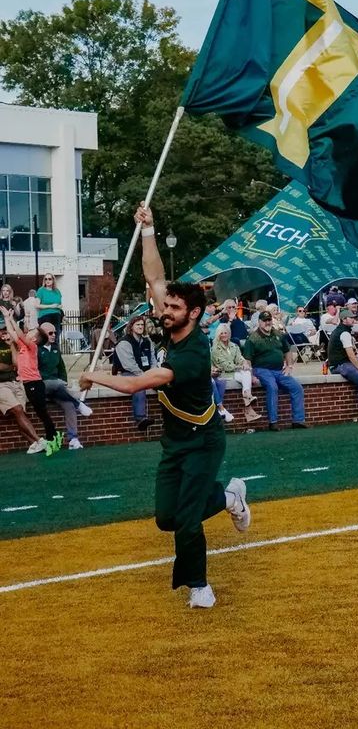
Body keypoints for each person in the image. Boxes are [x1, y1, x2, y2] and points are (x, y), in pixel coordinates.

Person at [79, 204, 249, 610]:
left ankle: (199, 586)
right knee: (166, 518)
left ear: (192, 314)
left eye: (172, 308)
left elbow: (137, 383)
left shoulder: (192, 355)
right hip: (174, 442)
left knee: (187, 520)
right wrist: (150, 230)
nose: (163, 311)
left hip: (204, 441)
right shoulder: (171, 321)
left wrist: (93, 375)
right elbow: (154, 276)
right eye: (164, 306)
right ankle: (229, 498)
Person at [0, 308, 59, 453]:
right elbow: (13, 334)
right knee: (35, 413)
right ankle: (42, 441)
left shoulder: (32, 347)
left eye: (31, 333)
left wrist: (13, 320)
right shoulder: (22, 346)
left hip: (34, 384)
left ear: (33, 339)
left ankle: (52, 438)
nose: (28, 332)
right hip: (26, 384)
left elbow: (19, 333)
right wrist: (7, 318)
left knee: (42, 412)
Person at [243, 310, 308, 431]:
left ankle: (298, 420)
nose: (267, 323)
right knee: (273, 387)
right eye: (265, 321)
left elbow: (287, 350)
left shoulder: (279, 334)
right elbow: (247, 360)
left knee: (297, 387)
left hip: (279, 370)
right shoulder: (252, 338)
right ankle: (273, 422)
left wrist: (289, 366)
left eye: (269, 320)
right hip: (261, 369)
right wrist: (251, 375)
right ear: (259, 322)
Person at [37, 321, 92, 450]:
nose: (54, 335)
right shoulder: (37, 349)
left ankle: (73, 439)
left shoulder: (56, 348)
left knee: (69, 405)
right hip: (42, 384)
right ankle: (79, 403)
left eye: (55, 332)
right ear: (43, 334)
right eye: (50, 333)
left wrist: (64, 381)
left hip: (58, 388)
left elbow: (61, 368)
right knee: (57, 384)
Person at [114, 314, 157, 431]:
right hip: (128, 374)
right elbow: (129, 365)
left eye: (142, 325)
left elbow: (153, 360)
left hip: (146, 373)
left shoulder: (147, 341)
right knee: (139, 385)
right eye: (137, 324)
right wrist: (145, 376)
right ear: (131, 326)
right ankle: (140, 418)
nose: (140, 327)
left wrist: (153, 373)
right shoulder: (124, 342)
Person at [211, 323, 259, 423]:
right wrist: (240, 366)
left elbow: (240, 358)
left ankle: (247, 395)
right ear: (218, 335)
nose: (224, 335)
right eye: (222, 333)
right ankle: (248, 405)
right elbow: (225, 366)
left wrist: (244, 363)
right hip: (223, 374)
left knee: (246, 372)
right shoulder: (215, 348)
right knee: (244, 371)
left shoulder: (234, 346)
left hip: (233, 373)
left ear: (229, 334)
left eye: (226, 333)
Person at [34, 274, 65, 340]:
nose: (47, 280)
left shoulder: (57, 291)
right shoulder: (41, 290)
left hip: (57, 315)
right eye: (46, 279)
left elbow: (58, 305)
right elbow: (37, 305)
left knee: (56, 336)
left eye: (49, 279)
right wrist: (51, 306)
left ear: (53, 280)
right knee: (46, 336)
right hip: (45, 315)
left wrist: (62, 313)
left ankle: (55, 349)